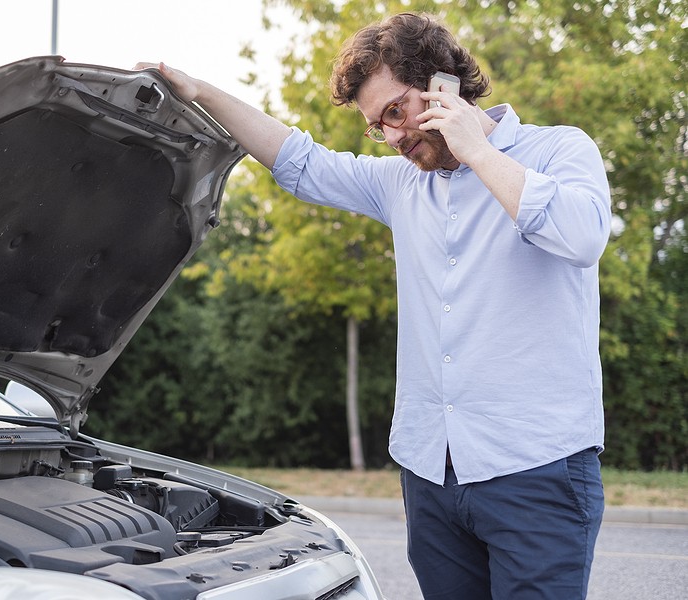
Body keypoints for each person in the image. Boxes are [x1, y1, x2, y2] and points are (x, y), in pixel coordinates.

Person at [137, 11, 611, 599]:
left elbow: (583, 235)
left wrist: (478, 153)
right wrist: (199, 91)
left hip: (537, 470)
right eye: (377, 126)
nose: (392, 136)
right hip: (430, 472)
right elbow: (300, 162)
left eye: (396, 111)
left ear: (446, 86)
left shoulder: (559, 150)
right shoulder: (400, 186)